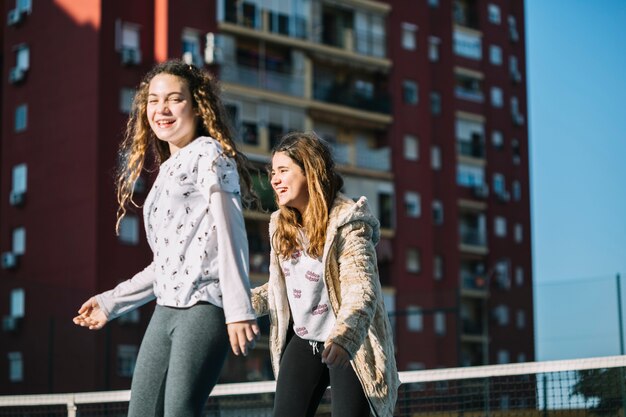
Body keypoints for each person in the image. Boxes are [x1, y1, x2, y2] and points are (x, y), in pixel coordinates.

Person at [73, 60, 260, 417]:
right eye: (154, 100)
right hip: (166, 308)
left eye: (174, 99)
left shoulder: (210, 154)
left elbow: (231, 231)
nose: (162, 109)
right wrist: (111, 302)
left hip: (204, 306)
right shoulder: (167, 170)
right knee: (141, 412)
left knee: (179, 412)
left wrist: (238, 309)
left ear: (196, 106)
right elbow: (167, 263)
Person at [251, 132, 399, 417]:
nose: (274, 180)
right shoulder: (281, 226)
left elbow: (361, 290)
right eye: (272, 172)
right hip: (305, 339)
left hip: (349, 341)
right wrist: (237, 304)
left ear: (310, 171)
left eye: (283, 171)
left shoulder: (348, 223)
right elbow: (281, 289)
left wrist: (344, 338)